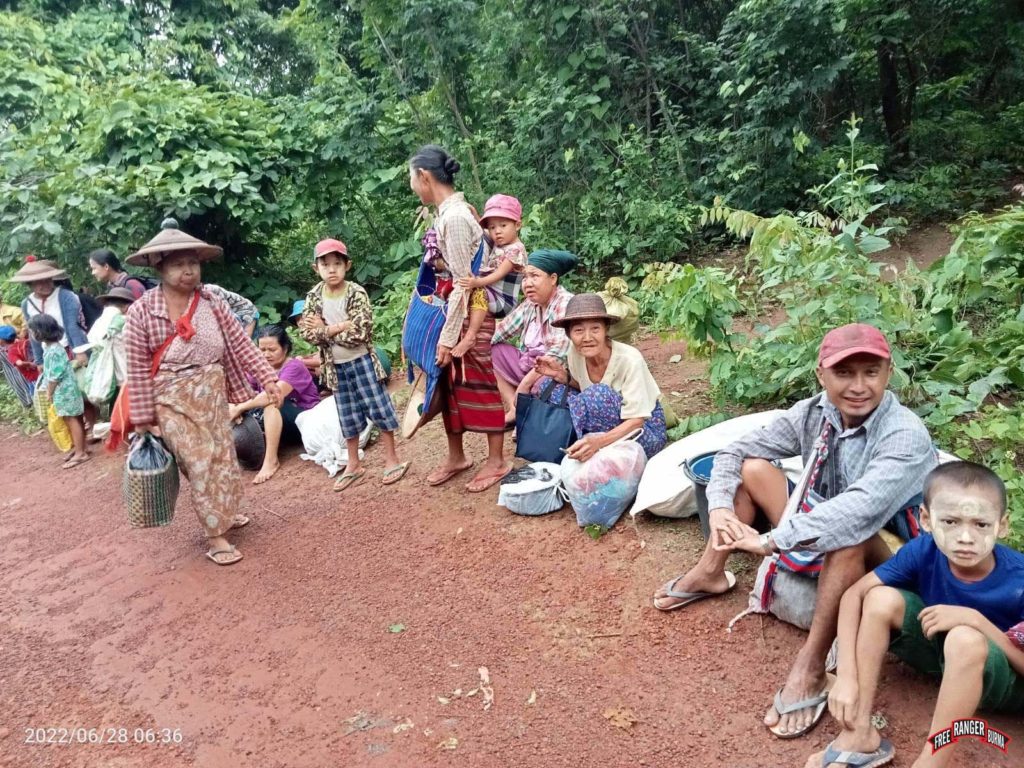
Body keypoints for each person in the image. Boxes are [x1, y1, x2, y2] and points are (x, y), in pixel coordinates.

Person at [653, 324, 937, 741]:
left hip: (896, 553)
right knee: (752, 468)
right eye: (844, 373)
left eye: (870, 373)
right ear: (821, 375)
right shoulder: (815, 412)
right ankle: (711, 570)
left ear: (888, 373)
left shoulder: (904, 434)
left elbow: (857, 512)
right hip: (827, 520)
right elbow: (735, 450)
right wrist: (717, 509)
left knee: (846, 533)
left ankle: (812, 663)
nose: (859, 386)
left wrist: (771, 540)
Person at [805, 462, 1024, 768]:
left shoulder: (1019, 578)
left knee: (964, 637)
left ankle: (931, 762)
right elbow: (854, 594)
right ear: (926, 519)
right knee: (880, 598)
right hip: (945, 661)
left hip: (1005, 683)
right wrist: (847, 677)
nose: (965, 537)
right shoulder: (923, 551)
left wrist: (974, 620)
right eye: (950, 521)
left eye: (981, 525)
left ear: (1002, 525)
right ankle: (859, 731)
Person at [123, 219, 282, 566]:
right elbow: (135, 369)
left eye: (192, 263)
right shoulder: (141, 312)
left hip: (212, 395)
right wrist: (144, 419)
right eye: (178, 264)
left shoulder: (211, 301)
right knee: (199, 463)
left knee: (222, 456)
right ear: (159, 266)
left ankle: (224, 512)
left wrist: (268, 378)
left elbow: (241, 344)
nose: (188, 271)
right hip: (170, 400)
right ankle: (216, 536)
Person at [408, 144, 511, 492]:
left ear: (424, 176)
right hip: (461, 313)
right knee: (450, 386)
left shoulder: (452, 218)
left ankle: (497, 460)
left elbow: (464, 284)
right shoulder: (450, 213)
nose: (412, 185)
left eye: (412, 178)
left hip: (470, 315)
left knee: (480, 383)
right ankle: (457, 456)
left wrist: (449, 338)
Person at [298, 238, 409, 492]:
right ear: (316, 268)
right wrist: (339, 326)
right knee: (346, 414)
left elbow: (360, 333)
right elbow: (307, 332)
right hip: (334, 366)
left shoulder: (356, 292)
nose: (332, 269)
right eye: (325, 264)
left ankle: (392, 459)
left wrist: (324, 329)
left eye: (337, 263)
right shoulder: (314, 296)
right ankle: (353, 464)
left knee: (379, 407)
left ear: (347, 265)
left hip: (361, 360)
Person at [534, 293, 668, 460]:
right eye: (579, 330)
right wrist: (562, 376)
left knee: (599, 395)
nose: (587, 338)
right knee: (550, 387)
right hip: (607, 422)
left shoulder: (630, 360)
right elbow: (584, 389)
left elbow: (637, 421)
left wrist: (598, 442)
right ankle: (579, 443)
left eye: (595, 329)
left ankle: (592, 445)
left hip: (643, 431)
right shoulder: (575, 353)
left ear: (606, 330)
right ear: (569, 335)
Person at [490, 249, 576, 423]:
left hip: (556, 370)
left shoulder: (565, 302)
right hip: (530, 365)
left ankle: (528, 415)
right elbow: (501, 330)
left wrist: (525, 384)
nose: (527, 283)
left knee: (542, 383)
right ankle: (515, 408)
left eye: (534, 276)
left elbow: (558, 354)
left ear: (553, 279)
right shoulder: (531, 304)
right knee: (489, 351)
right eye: (525, 277)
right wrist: (471, 342)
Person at [229, 324, 320, 485]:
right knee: (232, 404)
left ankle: (271, 460)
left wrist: (240, 407)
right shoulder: (259, 369)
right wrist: (234, 404)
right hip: (278, 422)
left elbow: (274, 395)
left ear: (285, 349)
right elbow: (241, 391)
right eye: (262, 350)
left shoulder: (294, 367)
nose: (266, 354)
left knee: (272, 402)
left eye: (272, 349)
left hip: (303, 420)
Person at [452, 194, 527, 348]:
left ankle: (471, 336)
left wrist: (477, 282)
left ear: (517, 225)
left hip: (503, 299)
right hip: (491, 291)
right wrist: (473, 213)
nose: (497, 231)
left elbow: (498, 274)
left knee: (478, 291)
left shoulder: (516, 250)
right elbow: (482, 233)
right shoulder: (500, 242)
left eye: (503, 225)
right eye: (492, 227)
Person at [29, 314, 89, 468]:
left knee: (71, 419)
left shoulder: (53, 350)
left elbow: (55, 375)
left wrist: (49, 392)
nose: (31, 334)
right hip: (67, 388)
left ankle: (80, 453)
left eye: (32, 331)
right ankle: (81, 448)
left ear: (40, 332)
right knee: (76, 418)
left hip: (64, 390)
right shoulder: (53, 348)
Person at [11, 258, 89, 368]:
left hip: (69, 348)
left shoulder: (65, 297)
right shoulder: (26, 304)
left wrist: (80, 351)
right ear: (30, 284)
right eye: (39, 282)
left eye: (48, 280)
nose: (45, 284)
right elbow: (33, 332)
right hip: (48, 353)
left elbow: (73, 325)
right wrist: (39, 361)